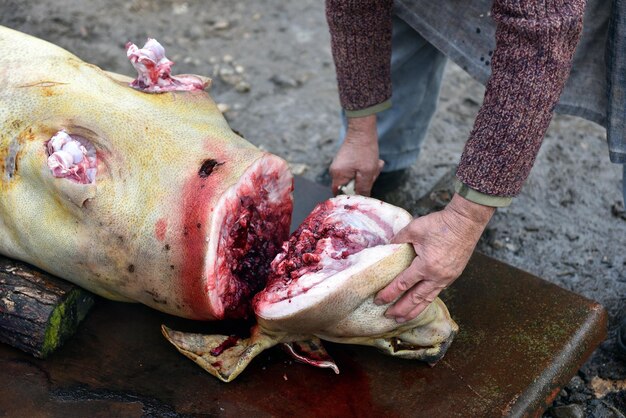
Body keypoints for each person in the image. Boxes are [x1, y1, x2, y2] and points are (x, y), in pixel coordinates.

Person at [322, 0, 591, 324]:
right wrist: (361, 126)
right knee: (405, 17)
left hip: (544, 16)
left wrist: (466, 218)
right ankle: (388, 157)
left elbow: (541, 38)